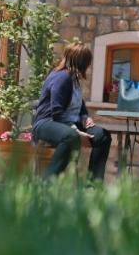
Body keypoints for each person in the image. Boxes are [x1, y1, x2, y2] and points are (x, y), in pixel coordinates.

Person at [31, 42, 112, 180]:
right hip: (47, 123)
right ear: (82, 62)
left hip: (68, 123)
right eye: (87, 63)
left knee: (103, 136)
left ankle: (93, 185)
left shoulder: (73, 79)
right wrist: (76, 131)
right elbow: (57, 112)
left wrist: (85, 117)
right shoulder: (62, 77)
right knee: (70, 137)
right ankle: (47, 182)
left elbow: (79, 106)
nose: (88, 66)